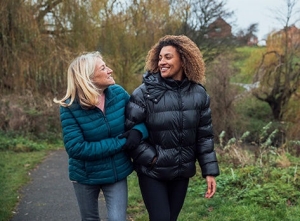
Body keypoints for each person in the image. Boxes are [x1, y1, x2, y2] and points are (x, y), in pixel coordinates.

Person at [124, 35, 220, 221]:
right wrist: (152, 159)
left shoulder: (199, 94)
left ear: (184, 59)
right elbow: (131, 131)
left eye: (168, 57)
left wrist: (209, 171)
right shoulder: (144, 93)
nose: (162, 62)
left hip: (180, 173)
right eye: (160, 58)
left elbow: (204, 136)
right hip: (153, 172)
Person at [53, 51, 148, 221]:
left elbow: (140, 120)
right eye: (103, 68)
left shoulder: (118, 94)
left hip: (116, 173)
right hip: (85, 176)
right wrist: (121, 143)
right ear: (88, 77)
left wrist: (138, 132)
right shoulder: (69, 107)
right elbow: (76, 148)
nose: (110, 70)